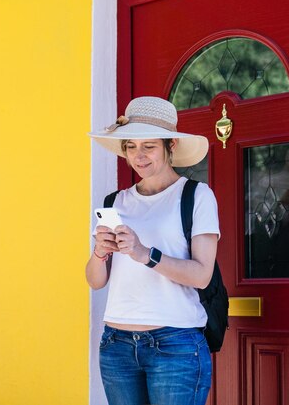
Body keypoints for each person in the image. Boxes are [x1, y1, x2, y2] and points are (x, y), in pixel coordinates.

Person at [86, 96, 220, 405]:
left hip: (175, 344)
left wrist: (145, 253)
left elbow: (201, 275)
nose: (139, 156)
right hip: (116, 344)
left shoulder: (196, 196)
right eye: (131, 146)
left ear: (170, 145)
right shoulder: (113, 201)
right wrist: (99, 253)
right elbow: (95, 281)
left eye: (149, 146)